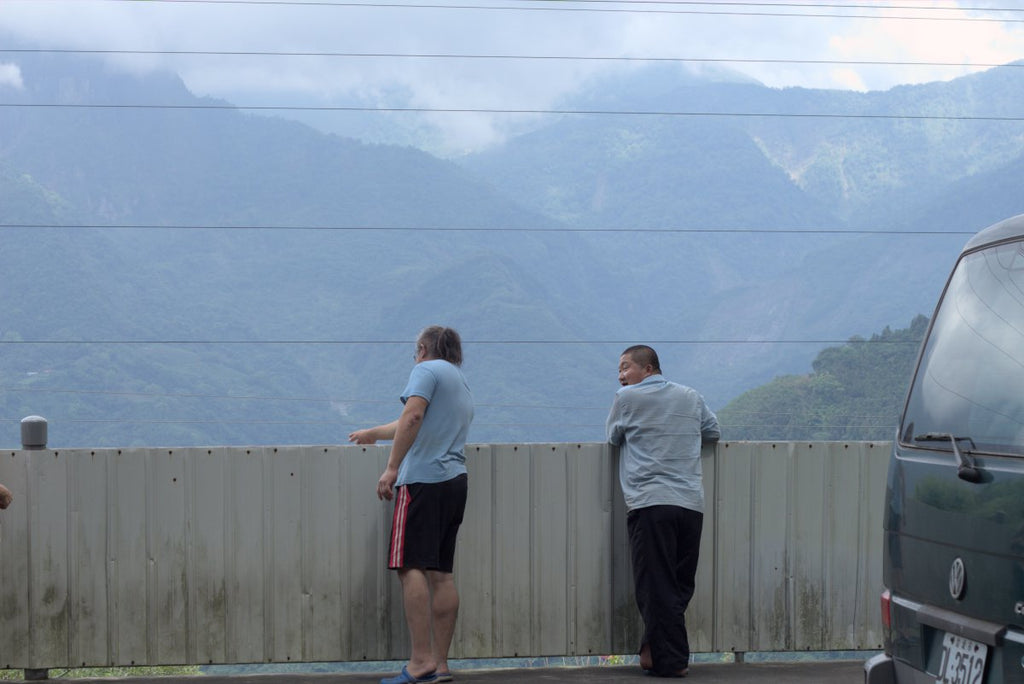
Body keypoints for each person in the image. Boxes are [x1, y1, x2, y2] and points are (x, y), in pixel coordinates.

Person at [349, 326, 474, 684]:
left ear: (422, 348)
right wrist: (373, 433)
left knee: (410, 566)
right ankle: (440, 664)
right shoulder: (458, 379)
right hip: (455, 480)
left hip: (423, 480)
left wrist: (390, 468)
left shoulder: (425, 370)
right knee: (442, 573)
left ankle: (419, 662)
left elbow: (413, 416)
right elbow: (414, 420)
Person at [606, 345, 720, 678]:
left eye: (626, 367)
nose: (621, 375)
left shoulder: (625, 400)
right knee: (679, 584)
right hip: (689, 504)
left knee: (655, 585)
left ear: (649, 368)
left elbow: (613, 437)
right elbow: (713, 432)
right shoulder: (691, 396)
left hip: (650, 503)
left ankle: (672, 663)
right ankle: (652, 650)